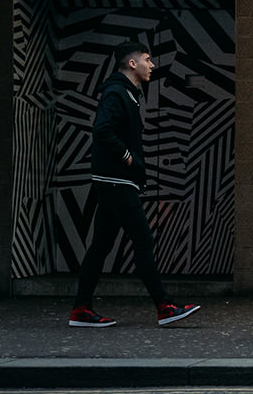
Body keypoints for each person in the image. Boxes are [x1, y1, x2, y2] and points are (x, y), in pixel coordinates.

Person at [67, 42, 200, 328]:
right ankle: (164, 306)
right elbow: (102, 129)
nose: (151, 65)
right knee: (143, 240)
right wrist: (128, 157)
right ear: (131, 64)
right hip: (117, 181)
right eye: (147, 59)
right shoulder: (117, 92)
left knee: (100, 245)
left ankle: (80, 309)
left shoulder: (125, 92)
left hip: (114, 180)